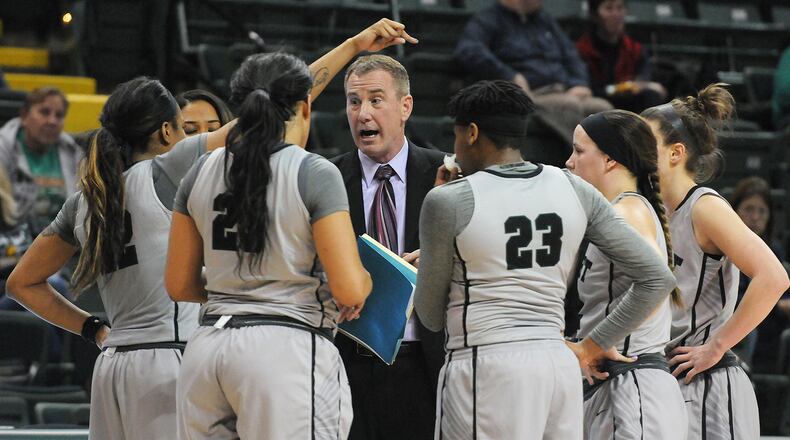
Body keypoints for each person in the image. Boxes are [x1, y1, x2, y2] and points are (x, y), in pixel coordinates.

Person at [7, 18, 417, 440]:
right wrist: (351, 46)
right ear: (167, 131)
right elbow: (277, 106)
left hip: (114, 364)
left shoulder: (85, 198)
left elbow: (21, 282)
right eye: (183, 128)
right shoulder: (171, 169)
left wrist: (93, 329)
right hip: (172, 359)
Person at [165, 21, 418, 440]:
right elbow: (351, 291)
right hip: (283, 350)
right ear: (305, 107)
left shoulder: (200, 169)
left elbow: (178, 284)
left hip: (207, 350)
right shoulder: (313, 170)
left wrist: (243, 289)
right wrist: (372, 277)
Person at [413, 80, 676, 439]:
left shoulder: (447, 201)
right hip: (559, 367)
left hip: (487, 364)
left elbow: (429, 314)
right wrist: (590, 346)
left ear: (471, 133)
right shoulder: (573, 187)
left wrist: (428, 260)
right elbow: (657, 278)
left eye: (457, 136)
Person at [641, 84, 790, 439]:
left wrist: (717, 346)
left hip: (707, 382)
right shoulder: (650, 208)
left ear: (675, 153)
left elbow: (774, 278)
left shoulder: (705, 206)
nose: (634, 152)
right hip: (669, 376)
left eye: (644, 143)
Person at [331, 53, 446, 440]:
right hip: (346, 364)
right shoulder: (325, 179)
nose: (363, 113)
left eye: (376, 100)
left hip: (425, 365)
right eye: (353, 101)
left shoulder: (445, 175)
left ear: (405, 107)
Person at [565, 109, 686, 439]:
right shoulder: (619, 211)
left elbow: (657, 281)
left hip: (633, 384)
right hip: (623, 384)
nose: (569, 162)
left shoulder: (626, 212)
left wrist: (590, 347)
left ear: (609, 160)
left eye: (578, 150)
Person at [454, 0, 612, 143]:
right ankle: (579, 162)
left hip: (564, 90)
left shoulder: (545, 21)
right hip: (529, 95)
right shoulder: (488, 20)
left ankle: (615, 163)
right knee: (569, 106)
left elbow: (572, 56)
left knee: (602, 107)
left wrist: (579, 83)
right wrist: (510, 76)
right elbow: (469, 51)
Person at [0, 87, 81, 235]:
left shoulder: (73, 153)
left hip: (64, 242)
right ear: (24, 117)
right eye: (44, 112)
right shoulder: (3, 150)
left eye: (59, 115)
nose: (52, 121)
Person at [730, 176, 789, 370]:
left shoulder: (775, 250)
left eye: (762, 211)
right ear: (734, 211)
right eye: (749, 209)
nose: (755, 217)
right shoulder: (726, 248)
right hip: (738, 322)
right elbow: (733, 298)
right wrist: (777, 306)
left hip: (771, 328)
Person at [575, 0, 667, 113]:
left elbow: (644, 79)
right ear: (594, 15)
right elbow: (593, 89)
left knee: (652, 97)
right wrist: (629, 86)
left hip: (631, 101)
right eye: (609, 9)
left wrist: (639, 86)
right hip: (601, 101)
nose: (616, 14)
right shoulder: (583, 50)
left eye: (620, 8)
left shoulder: (634, 48)